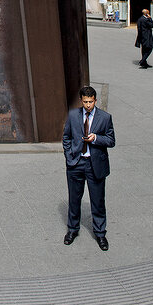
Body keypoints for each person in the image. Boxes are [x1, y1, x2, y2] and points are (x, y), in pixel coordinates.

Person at [62, 85, 115, 251]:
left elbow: (111, 140)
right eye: (85, 102)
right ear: (81, 101)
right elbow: (66, 137)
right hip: (76, 163)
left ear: (95, 101)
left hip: (95, 164)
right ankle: (72, 230)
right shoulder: (73, 115)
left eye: (91, 102)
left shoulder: (105, 118)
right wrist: (70, 156)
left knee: (98, 201)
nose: (88, 105)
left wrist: (96, 138)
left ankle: (100, 233)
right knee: (74, 199)